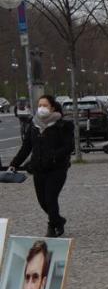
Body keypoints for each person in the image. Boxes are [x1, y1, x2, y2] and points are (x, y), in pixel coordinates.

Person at [8, 96, 74, 238]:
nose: (41, 108)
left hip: (57, 169)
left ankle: (52, 226)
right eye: (39, 105)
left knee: (51, 198)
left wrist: (54, 155)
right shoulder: (34, 125)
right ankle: (58, 220)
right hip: (38, 168)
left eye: (45, 105)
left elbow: (69, 146)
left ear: (53, 108)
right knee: (42, 201)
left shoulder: (63, 125)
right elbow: (26, 147)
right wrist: (14, 164)